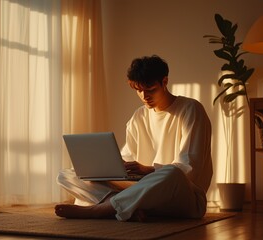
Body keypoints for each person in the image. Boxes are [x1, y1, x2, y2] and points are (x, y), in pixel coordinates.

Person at [55, 55, 213, 221]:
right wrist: (111, 169)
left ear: (164, 82)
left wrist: (149, 170)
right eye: (138, 90)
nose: (144, 96)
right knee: (67, 175)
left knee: (171, 172)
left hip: (183, 195)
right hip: (139, 189)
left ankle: (99, 210)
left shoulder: (191, 110)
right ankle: (121, 206)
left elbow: (189, 169)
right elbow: (128, 157)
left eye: (150, 89)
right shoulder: (139, 116)